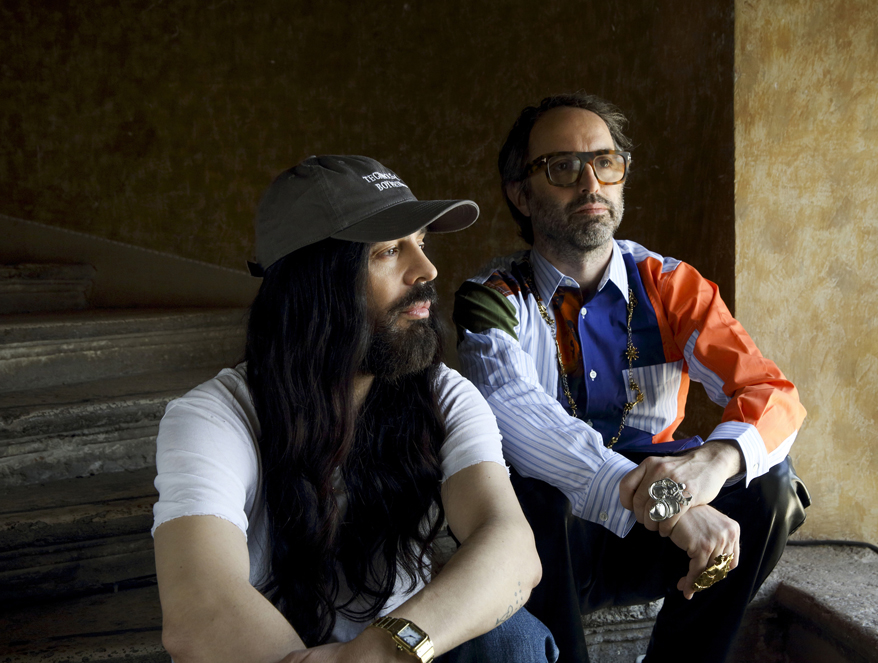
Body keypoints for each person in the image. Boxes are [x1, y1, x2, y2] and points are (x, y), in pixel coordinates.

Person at [152, 155, 557, 663]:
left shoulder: (443, 394)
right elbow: (200, 607)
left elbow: (511, 547)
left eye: (422, 243)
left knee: (513, 639)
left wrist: (381, 650)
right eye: (389, 251)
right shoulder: (214, 418)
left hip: (400, 651)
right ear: (314, 283)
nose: (427, 269)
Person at [453, 94, 810, 662]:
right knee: (529, 493)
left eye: (606, 162)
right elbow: (512, 409)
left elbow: (772, 394)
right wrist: (665, 501)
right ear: (520, 193)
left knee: (770, 486)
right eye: (563, 167)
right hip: (553, 547)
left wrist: (709, 466)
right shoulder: (492, 299)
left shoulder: (669, 285)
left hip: (654, 544)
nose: (590, 183)